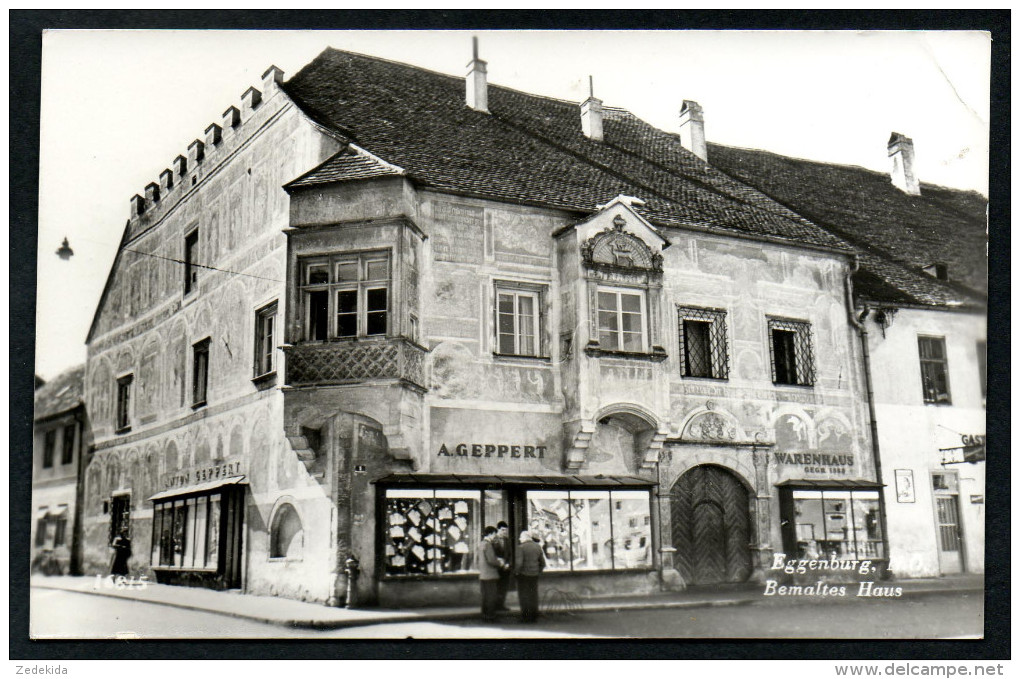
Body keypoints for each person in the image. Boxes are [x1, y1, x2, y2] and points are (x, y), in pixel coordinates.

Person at [515, 529, 546, 623]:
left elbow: (519, 563)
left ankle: (525, 617)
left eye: (521, 537)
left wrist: (516, 572)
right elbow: (543, 563)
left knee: (524, 596)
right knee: (533, 596)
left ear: (524, 538)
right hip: (534, 575)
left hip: (524, 575)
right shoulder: (537, 547)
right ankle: (534, 616)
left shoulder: (521, 547)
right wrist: (538, 571)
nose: (520, 539)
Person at [478, 525, 503, 622]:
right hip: (490, 574)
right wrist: (500, 562)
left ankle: (485, 615)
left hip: (483, 574)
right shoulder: (488, 545)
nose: (495, 537)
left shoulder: (481, 544)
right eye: (494, 535)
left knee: (485, 597)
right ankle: (490, 616)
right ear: (491, 533)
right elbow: (491, 560)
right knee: (491, 596)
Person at [493, 521, 512, 611]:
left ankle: (501, 604)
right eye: (502, 530)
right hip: (496, 568)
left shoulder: (507, 540)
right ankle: (495, 605)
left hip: (505, 568)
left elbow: (510, 554)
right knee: (496, 587)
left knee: (503, 587)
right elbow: (491, 554)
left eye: (505, 530)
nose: (504, 532)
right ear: (498, 530)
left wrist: (508, 563)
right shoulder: (493, 540)